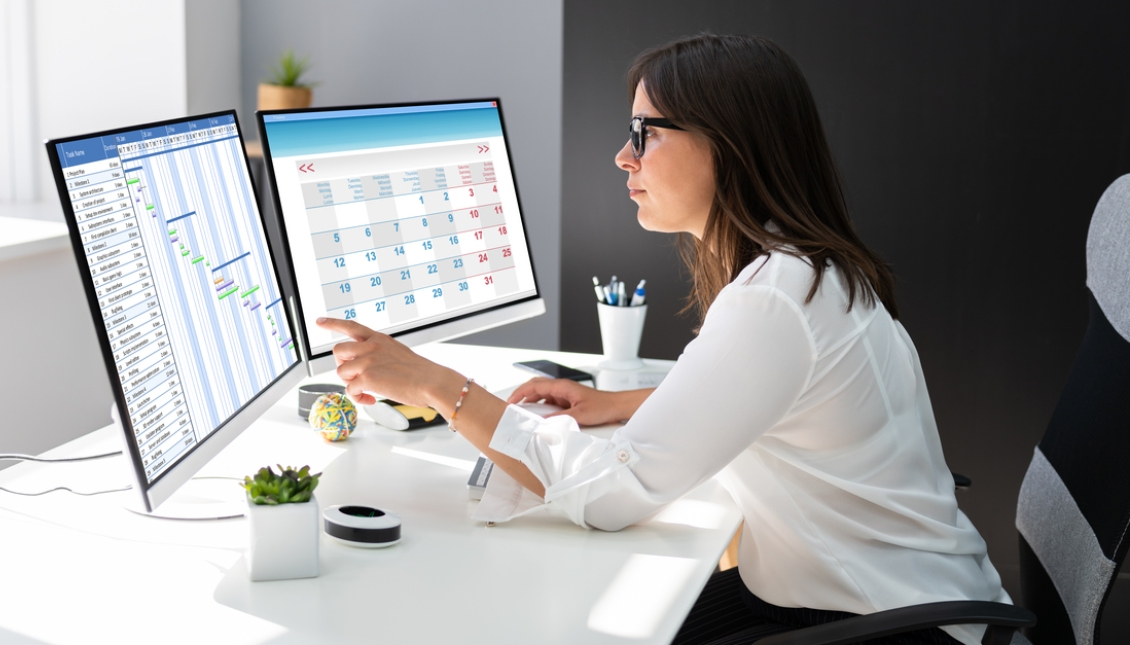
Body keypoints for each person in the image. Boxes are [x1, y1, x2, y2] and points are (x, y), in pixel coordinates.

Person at [316, 33, 1008, 645]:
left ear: (728, 145)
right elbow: (770, 402)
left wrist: (436, 384)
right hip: (887, 596)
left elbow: (610, 496)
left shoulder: (776, 298)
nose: (624, 156)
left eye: (645, 133)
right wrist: (624, 403)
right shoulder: (807, 269)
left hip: (899, 624)